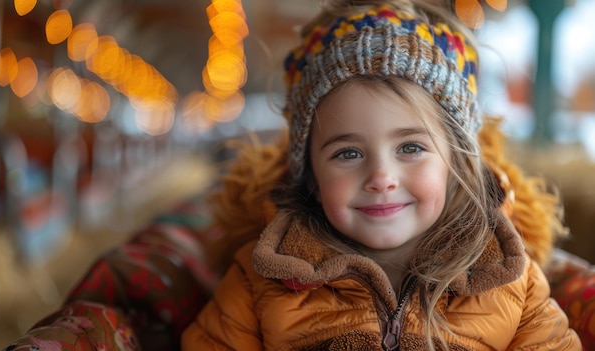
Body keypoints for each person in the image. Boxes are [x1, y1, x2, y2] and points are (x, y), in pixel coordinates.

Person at [181, 0, 582, 349]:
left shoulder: (511, 280)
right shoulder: (259, 280)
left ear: (455, 164)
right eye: (348, 153)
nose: (381, 177)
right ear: (311, 178)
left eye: (410, 147)